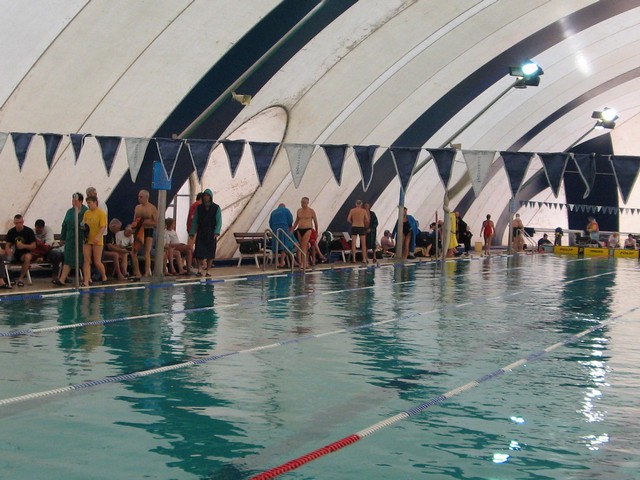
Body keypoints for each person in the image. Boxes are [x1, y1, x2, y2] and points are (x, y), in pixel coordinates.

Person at [53, 193, 88, 286]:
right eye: (72, 201)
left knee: (84, 259)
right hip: (70, 238)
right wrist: (62, 238)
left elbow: (88, 226)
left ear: (81, 201)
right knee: (68, 258)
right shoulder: (69, 211)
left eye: (75, 201)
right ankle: (62, 279)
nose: (73, 203)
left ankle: (87, 279)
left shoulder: (86, 211)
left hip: (81, 238)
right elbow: (64, 225)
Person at [189, 188, 222, 277]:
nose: (206, 197)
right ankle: (199, 269)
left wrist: (216, 232)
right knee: (199, 251)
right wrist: (192, 232)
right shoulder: (199, 208)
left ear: (210, 197)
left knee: (210, 252)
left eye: (207, 196)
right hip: (201, 231)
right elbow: (195, 221)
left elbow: (219, 221)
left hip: (211, 232)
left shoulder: (216, 208)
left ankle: (208, 270)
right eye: (204, 196)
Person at [3, 214, 37, 287]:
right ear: (14, 223)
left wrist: (24, 246)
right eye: (16, 223)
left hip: (25, 253)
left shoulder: (28, 231)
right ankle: (9, 278)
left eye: (20, 222)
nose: (18, 225)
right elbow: (8, 244)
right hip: (15, 253)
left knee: (27, 257)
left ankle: (20, 279)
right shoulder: (11, 231)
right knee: (2, 255)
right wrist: (8, 250)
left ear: (23, 222)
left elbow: (33, 246)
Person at [82, 195, 108, 285]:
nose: (88, 205)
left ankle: (104, 276)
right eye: (87, 203)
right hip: (87, 239)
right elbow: (83, 223)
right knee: (86, 260)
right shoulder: (87, 213)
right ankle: (86, 280)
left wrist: (98, 236)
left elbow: (103, 226)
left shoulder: (101, 213)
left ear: (95, 202)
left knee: (97, 261)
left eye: (89, 203)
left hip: (97, 240)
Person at [131, 189, 158, 277]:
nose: (139, 198)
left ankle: (146, 272)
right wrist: (134, 226)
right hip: (139, 230)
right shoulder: (137, 207)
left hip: (148, 230)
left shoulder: (152, 208)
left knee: (147, 252)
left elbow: (156, 222)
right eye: (138, 196)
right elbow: (135, 220)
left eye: (141, 197)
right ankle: (137, 272)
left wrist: (143, 222)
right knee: (134, 252)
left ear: (147, 197)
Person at [293, 196, 319, 269]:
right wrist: (292, 229)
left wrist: (316, 231)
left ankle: (303, 263)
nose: (302, 204)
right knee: (302, 246)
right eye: (301, 202)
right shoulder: (299, 211)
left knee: (304, 246)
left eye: (304, 202)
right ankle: (305, 262)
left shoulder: (311, 211)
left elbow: (315, 221)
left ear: (307, 203)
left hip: (308, 229)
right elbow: (296, 221)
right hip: (300, 229)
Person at [269, 203, 294, 267]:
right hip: (283, 228)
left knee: (275, 246)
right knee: (284, 245)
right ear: (284, 206)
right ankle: (282, 261)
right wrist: (289, 227)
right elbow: (290, 219)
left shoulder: (273, 212)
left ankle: (276, 262)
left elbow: (270, 223)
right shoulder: (286, 210)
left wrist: (273, 228)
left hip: (275, 229)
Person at [346, 200, 370, 264]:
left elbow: (348, 219)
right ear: (361, 204)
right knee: (363, 244)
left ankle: (354, 259)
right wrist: (363, 223)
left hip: (354, 227)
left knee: (353, 244)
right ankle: (364, 259)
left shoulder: (352, 210)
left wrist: (353, 222)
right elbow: (367, 220)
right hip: (361, 227)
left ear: (356, 204)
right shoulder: (364, 211)